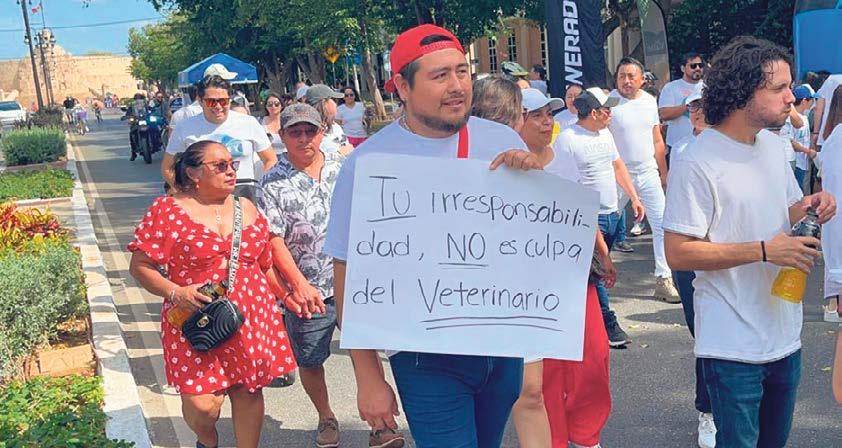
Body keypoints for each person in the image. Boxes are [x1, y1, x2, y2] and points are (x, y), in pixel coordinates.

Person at [323, 23, 541, 447]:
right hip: (426, 355)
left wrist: (534, 181)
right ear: (402, 87)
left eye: (462, 72)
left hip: (502, 347)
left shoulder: (501, 140)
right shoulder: (368, 163)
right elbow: (348, 277)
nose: (457, 86)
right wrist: (369, 376)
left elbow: (530, 241)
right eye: (439, 76)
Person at [663, 36, 837, 448]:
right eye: (779, 88)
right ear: (742, 92)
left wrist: (809, 205)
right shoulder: (697, 160)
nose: (791, 97)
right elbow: (678, 252)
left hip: (784, 334)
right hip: (732, 345)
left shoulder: (773, 147)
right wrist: (763, 250)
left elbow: (781, 210)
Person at [128, 140, 298, 448]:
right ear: (193, 173)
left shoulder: (246, 207)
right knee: (202, 405)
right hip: (196, 316)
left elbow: (264, 265)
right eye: (220, 166)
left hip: (251, 314)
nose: (231, 171)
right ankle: (207, 441)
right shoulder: (167, 210)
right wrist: (176, 292)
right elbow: (140, 266)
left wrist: (287, 296)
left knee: (248, 389)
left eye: (233, 164)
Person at [511, 87, 614, 448]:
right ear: (516, 121)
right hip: (532, 283)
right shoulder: (504, 166)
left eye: (549, 115)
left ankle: (586, 435)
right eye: (536, 116)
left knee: (594, 356)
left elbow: (583, 209)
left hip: (576, 274)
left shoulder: (564, 156)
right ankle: (553, 438)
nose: (546, 122)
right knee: (548, 369)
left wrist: (603, 251)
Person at [553, 87, 645, 349]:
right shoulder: (568, 139)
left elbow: (617, 165)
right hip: (588, 219)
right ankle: (608, 324)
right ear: (593, 113)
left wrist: (634, 197)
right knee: (597, 271)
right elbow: (571, 192)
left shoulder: (605, 134)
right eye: (607, 110)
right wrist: (603, 251)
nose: (611, 114)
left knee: (591, 274)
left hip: (612, 214)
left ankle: (580, 323)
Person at [667, 86, 717, 448]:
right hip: (689, 255)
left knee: (716, 334)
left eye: (702, 105)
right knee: (701, 332)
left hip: (726, 254)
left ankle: (711, 408)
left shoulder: (735, 149)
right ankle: (709, 409)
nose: (696, 112)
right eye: (692, 107)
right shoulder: (682, 150)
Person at [608, 57, 679, 303]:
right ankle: (595, 275)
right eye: (621, 76)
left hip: (647, 172)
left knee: (661, 225)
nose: (626, 81)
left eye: (631, 76)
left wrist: (663, 172)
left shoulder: (649, 102)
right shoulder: (610, 102)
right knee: (606, 223)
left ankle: (664, 278)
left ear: (642, 79)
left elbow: (657, 139)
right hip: (618, 174)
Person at [163, 75, 277, 203]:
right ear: (200, 101)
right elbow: (167, 167)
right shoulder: (184, 128)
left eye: (223, 101)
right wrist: (185, 192)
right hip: (203, 199)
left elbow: (270, 159)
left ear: (229, 100)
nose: (218, 106)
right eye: (211, 102)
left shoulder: (248, 123)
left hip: (244, 194)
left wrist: (262, 188)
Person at [659, 52, 704, 152]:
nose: (697, 68)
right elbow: (664, 114)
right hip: (677, 145)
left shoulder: (708, 87)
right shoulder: (671, 87)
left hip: (703, 144)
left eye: (700, 65)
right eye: (693, 66)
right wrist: (690, 105)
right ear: (683, 68)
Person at [781, 86, 816, 191]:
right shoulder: (791, 118)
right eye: (811, 99)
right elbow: (792, 141)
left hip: (803, 163)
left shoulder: (805, 118)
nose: (813, 102)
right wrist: (808, 151)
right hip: (795, 162)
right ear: (804, 101)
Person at [305, 84, 354, 155]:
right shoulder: (309, 132)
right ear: (324, 104)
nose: (335, 104)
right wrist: (339, 154)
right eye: (333, 99)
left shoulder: (335, 126)